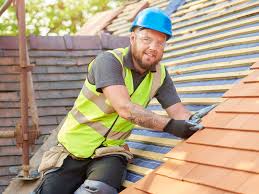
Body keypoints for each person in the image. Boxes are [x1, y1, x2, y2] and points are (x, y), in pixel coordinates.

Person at [34, 7, 203, 194]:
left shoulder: (160, 75)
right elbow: (125, 109)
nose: (153, 47)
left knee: (98, 191)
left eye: (160, 43)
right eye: (147, 39)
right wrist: (171, 126)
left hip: (110, 152)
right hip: (71, 150)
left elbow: (180, 114)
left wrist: (199, 124)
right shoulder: (109, 62)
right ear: (132, 38)